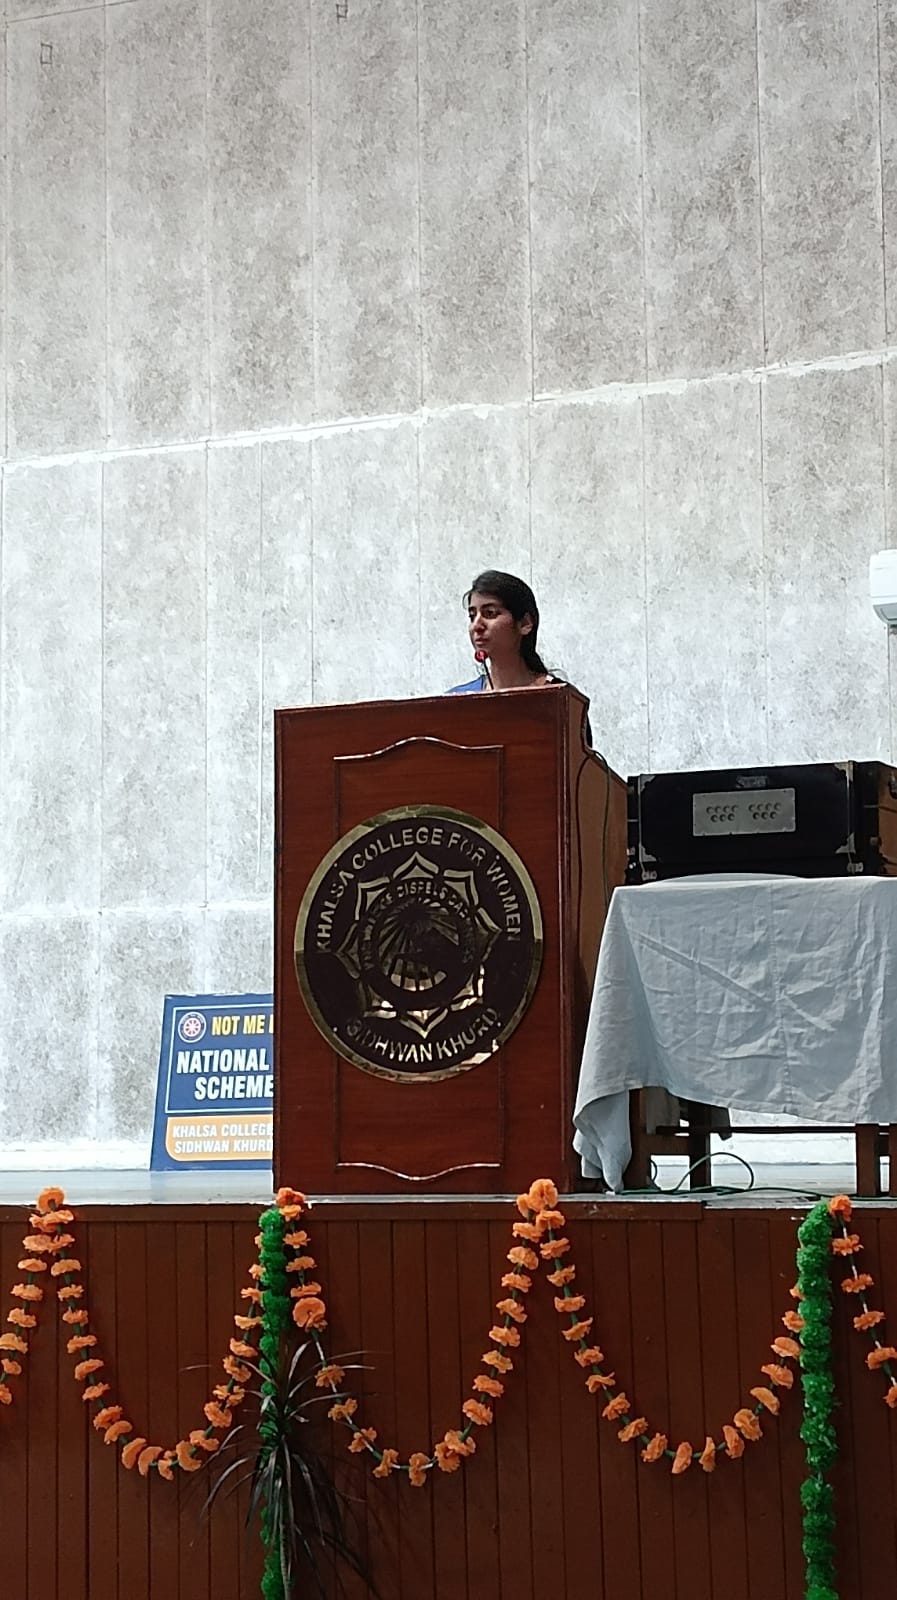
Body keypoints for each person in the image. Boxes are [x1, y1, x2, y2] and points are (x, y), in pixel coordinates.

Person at [447, 570, 556, 694]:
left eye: (490, 613)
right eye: (472, 616)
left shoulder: (557, 695)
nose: (476, 626)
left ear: (525, 623)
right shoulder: (457, 699)